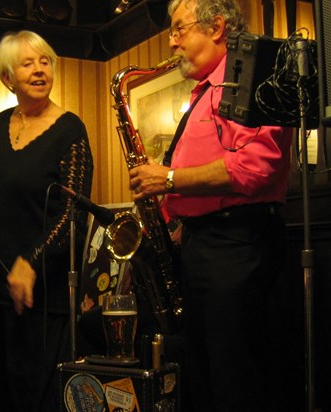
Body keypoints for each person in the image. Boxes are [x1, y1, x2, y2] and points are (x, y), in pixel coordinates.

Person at [128, 1, 293, 411]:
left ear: (217, 27)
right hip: (205, 246)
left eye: (178, 29)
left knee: (233, 382)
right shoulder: (204, 90)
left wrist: (167, 179)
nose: (172, 41)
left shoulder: (253, 75)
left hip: (236, 246)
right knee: (202, 380)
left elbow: (259, 167)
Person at [0, 30, 93, 412]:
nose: (40, 70)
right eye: (28, 63)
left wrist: (32, 262)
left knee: (36, 397)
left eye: (45, 61)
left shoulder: (70, 129)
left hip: (40, 291)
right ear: (8, 77)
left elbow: (73, 213)